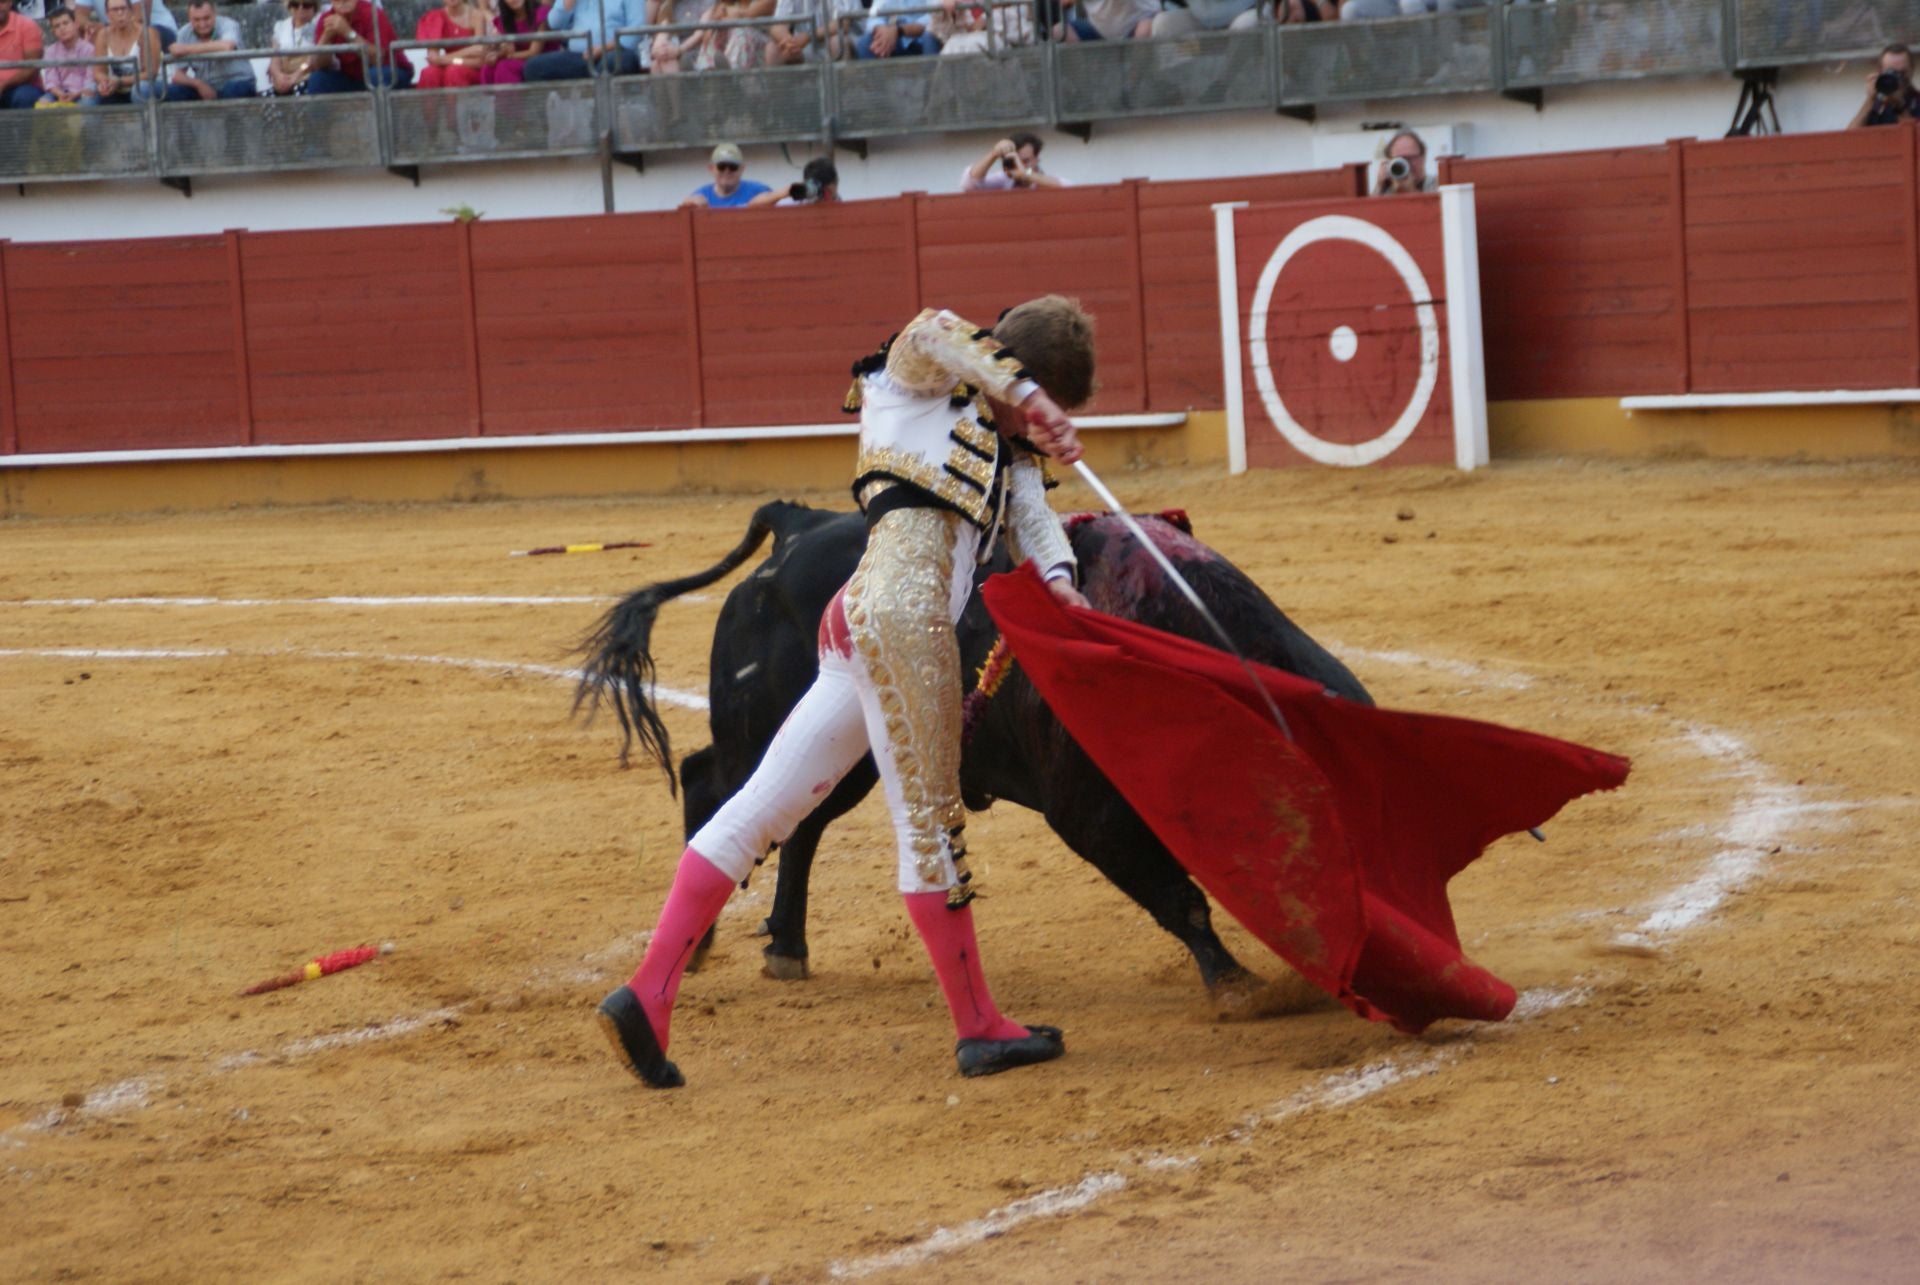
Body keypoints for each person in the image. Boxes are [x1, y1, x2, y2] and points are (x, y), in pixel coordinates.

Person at [597, 296, 1097, 1088]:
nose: (1039, 425)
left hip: (860, 618)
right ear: (1009, 370)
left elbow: (1034, 520)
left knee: (764, 804)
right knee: (930, 822)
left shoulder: (1009, 451)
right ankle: (978, 1029)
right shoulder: (916, 378)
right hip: (906, 621)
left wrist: (1064, 582)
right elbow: (935, 325)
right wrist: (1031, 394)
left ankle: (647, 993)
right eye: (1039, 405)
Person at [306, 0, 414, 90]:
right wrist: (326, 38)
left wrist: (348, 32)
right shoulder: (326, 18)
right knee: (318, 79)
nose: (343, 1)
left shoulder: (373, 13)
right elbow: (318, 65)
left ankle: (384, 115)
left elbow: (378, 59)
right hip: (352, 78)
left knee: (376, 75)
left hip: (391, 72)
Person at [522, 0, 640, 79]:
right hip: (580, 56)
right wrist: (568, 3)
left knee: (610, 64)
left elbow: (636, 30)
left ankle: (599, 112)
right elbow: (554, 23)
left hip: (615, 51)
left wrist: (603, 48)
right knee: (534, 67)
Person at [166, 0, 256, 99]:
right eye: (196, 20)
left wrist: (185, 49)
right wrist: (199, 84)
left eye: (206, 18)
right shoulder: (184, 33)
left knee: (233, 90)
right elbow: (177, 76)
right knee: (170, 92)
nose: (202, 24)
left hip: (237, 81)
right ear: (189, 18)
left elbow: (226, 46)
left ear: (215, 14)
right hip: (204, 86)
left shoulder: (228, 25)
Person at [90, 0, 162, 101]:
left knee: (140, 88)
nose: (120, 13)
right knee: (89, 90)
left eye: (123, 8)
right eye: (115, 10)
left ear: (131, 11)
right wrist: (104, 82)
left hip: (145, 85)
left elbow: (151, 73)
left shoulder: (147, 34)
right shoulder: (103, 35)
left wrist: (120, 81)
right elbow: (98, 71)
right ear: (107, 14)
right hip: (114, 87)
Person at [414, 0, 493, 88]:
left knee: (454, 71)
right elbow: (434, 59)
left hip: (468, 65)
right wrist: (448, 60)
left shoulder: (476, 16)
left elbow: (479, 57)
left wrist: (446, 59)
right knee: (429, 73)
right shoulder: (435, 17)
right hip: (449, 63)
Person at [35, 5, 98, 106]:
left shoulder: (89, 49)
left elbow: (90, 80)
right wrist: (60, 94)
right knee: (42, 104)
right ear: (53, 31)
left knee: (88, 100)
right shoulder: (51, 52)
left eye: (65, 23)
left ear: (75, 24)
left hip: (83, 92)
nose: (62, 28)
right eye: (57, 26)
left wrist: (76, 94)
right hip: (59, 93)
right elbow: (51, 81)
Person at [961, 131, 1063, 191]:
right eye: (1015, 160)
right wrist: (994, 154)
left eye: (1025, 161)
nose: (1019, 165)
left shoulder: (1048, 180)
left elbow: (1064, 186)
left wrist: (1026, 173)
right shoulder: (1005, 178)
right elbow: (969, 184)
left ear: (1036, 159)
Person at [1849, 42, 1920, 127]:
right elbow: (1848, 137)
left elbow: (1916, 136)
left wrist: (1900, 107)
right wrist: (1870, 100)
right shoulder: (1877, 105)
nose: (1897, 78)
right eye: (1890, 72)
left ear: (1912, 70)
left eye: (1901, 73)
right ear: (1880, 72)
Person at [680, 141, 771, 207]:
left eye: (733, 167)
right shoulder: (701, 195)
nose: (727, 171)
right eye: (721, 166)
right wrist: (689, 204)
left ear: (742, 169)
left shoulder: (759, 191)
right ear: (711, 169)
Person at [262, 0, 322, 96]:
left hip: (307, 76)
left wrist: (295, 76)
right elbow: (274, 57)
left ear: (314, 7)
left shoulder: (319, 25)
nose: (300, 9)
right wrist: (278, 76)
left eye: (306, 5)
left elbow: (313, 59)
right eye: (295, 4)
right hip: (284, 76)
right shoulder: (280, 26)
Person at [480, 0, 548, 83]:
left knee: (505, 66)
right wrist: (495, 54)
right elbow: (505, 49)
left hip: (539, 58)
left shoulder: (540, 12)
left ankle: (510, 96)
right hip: (516, 57)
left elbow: (533, 52)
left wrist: (505, 56)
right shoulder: (504, 20)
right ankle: (489, 96)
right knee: (488, 68)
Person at [0, 0, 45, 108]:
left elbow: (32, 68)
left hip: (23, 86)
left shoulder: (27, 25)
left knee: (23, 97)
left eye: (2, 2)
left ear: (10, 3)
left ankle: (22, 126)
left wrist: (3, 84)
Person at [857, 0, 939, 57]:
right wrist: (882, 29)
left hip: (922, 38)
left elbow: (934, 18)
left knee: (929, 37)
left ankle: (933, 81)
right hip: (895, 39)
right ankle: (872, 81)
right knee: (866, 42)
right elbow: (874, 14)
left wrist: (898, 30)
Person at [746, 154, 838, 204]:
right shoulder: (797, 202)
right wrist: (788, 191)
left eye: (826, 192)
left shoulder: (839, 205)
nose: (822, 197)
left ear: (835, 185)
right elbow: (753, 206)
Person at [1372, 128, 1433, 195]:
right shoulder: (1385, 189)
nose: (1405, 164)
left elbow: (1433, 204)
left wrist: (1410, 190)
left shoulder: (1436, 185)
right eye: (1399, 159)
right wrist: (1379, 187)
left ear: (1423, 158)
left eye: (1410, 158)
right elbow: (1370, 205)